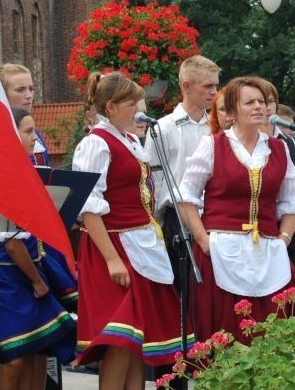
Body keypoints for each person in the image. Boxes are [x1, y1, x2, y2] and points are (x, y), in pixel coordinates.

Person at [73, 72, 189, 390]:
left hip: (139, 244)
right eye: (132, 102)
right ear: (111, 107)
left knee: (138, 341)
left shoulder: (130, 141)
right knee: (119, 339)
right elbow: (89, 206)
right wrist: (112, 259)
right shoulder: (96, 144)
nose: (140, 108)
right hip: (111, 247)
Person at [177, 76, 295, 343]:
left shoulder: (279, 148)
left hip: (268, 253)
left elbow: (292, 203)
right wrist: (204, 240)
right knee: (227, 334)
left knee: (279, 328)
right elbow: (186, 197)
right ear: (233, 112)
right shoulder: (213, 145)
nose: (259, 107)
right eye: (250, 102)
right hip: (222, 253)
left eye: (261, 101)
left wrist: (283, 239)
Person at [0, 107, 77, 390]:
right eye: (27, 131)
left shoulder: (27, 172)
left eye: (34, 130)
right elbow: (10, 241)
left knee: (39, 350)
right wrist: (36, 281)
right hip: (8, 278)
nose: (35, 138)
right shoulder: (3, 173)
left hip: (32, 269)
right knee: (15, 357)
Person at [143, 55, 219, 390]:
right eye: (208, 86)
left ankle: (211, 375)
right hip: (175, 223)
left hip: (211, 220)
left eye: (216, 86)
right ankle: (174, 381)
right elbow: (153, 183)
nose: (215, 93)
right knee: (179, 306)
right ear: (186, 86)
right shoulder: (163, 129)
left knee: (209, 305)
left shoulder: (216, 127)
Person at [0, 63, 78, 311]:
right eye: (20, 89)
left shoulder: (36, 135)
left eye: (31, 88)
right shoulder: (0, 138)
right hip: (17, 243)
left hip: (46, 238)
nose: (29, 95)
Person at [259, 79, 295, 275]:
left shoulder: (290, 144)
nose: (265, 107)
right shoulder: (240, 142)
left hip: (287, 225)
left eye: (270, 101)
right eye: (259, 101)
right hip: (259, 224)